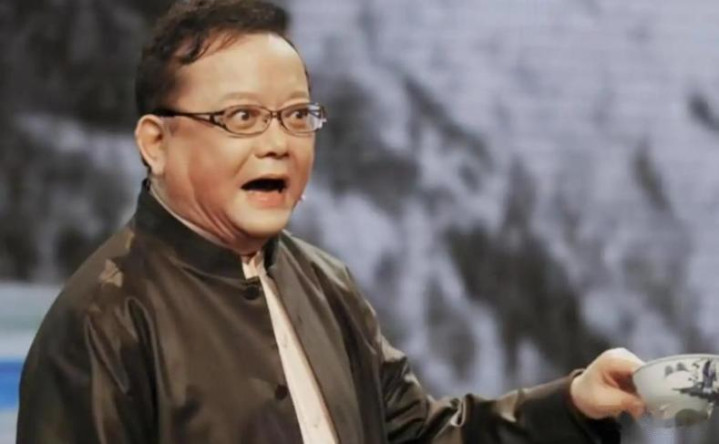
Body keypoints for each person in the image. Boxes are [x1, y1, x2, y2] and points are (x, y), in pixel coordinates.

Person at [16, 0, 646, 442]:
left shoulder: (323, 282)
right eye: (242, 118)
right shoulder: (103, 320)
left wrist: (574, 403)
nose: (277, 144)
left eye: (296, 116)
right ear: (156, 142)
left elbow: (419, 436)